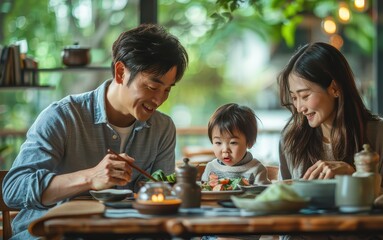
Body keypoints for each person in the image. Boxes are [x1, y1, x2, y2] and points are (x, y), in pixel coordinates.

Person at [2, 24, 188, 239]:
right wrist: (90, 177)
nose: (159, 100)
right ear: (120, 72)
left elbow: (159, 196)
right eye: (152, 87)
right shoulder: (63, 116)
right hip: (51, 232)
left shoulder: (163, 129)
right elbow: (13, 190)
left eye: (167, 90)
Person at [278, 42, 383, 194]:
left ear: (334, 88)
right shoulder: (292, 139)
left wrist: (353, 176)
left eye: (305, 96)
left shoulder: (381, 133)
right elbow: (282, 197)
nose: (299, 108)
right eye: (294, 97)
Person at [201, 103, 270, 185]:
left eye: (233, 142)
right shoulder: (211, 168)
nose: (225, 150)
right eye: (218, 142)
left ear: (249, 142)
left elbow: (263, 195)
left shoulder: (256, 169)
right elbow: (204, 191)